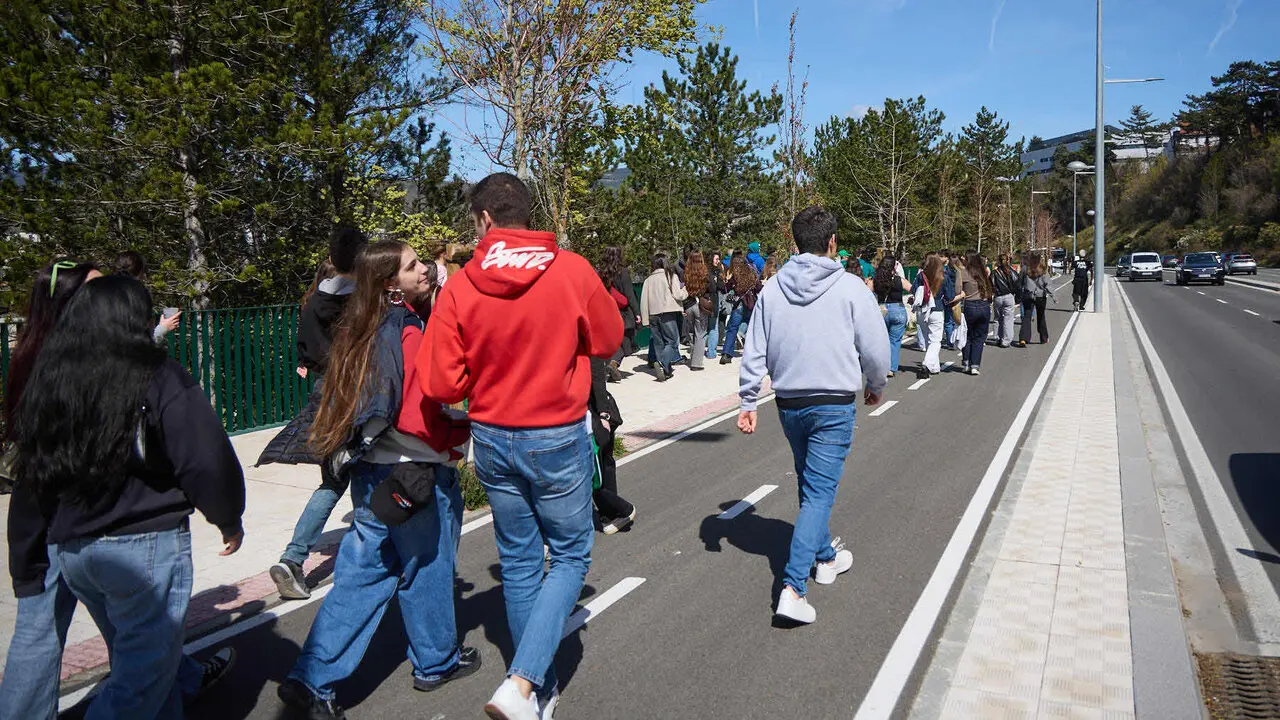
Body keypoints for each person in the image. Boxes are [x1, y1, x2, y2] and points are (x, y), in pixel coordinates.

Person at [416, 172, 622, 720]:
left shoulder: (460, 284)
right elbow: (608, 339)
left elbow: (441, 382)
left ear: (485, 219)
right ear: (526, 214)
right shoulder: (571, 269)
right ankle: (524, 682)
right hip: (555, 434)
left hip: (492, 435)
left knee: (520, 562)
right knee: (571, 555)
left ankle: (536, 693)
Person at [1, 262, 235, 720]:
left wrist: (27, 557)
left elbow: (35, 473)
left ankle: (182, 683)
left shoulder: (51, 372)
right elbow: (204, 454)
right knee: (135, 678)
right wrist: (228, 515)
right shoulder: (156, 374)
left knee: (143, 664)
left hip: (72, 542)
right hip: (133, 542)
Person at [277, 240, 477, 720]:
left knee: (361, 577)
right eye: (412, 266)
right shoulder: (404, 328)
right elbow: (415, 414)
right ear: (391, 284)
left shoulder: (355, 328)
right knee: (427, 568)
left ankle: (311, 677)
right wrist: (460, 430)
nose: (424, 269)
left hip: (370, 473)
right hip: (413, 473)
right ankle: (436, 662)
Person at [737, 206, 889, 624]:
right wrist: (876, 383)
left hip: (789, 402)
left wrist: (748, 400)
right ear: (832, 242)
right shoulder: (851, 287)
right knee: (820, 491)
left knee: (810, 483)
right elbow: (875, 346)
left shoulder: (772, 288)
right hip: (833, 402)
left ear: (795, 241)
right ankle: (793, 588)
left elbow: (755, 347)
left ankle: (825, 558)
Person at [268, 226, 368, 600]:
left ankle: (293, 559)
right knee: (371, 472)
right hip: (358, 390)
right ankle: (371, 555)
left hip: (325, 391)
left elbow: (307, 351)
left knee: (333, 478)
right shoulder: (362, 302)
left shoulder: (313, 303)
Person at [589, 357, 635, 534]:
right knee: (602, 466)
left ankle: (618, 510)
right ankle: (613, 512)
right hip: (588, 415)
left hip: (596, 415)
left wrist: (604, 414)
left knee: (597, 469)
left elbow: (597, 376)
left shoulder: (583, 346)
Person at [114, 250, 182, 344]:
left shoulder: (106, 295)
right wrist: (163, 328)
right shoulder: (135, 298)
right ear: (140, 272)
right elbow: (141, 344)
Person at [639, 252, 687, 382]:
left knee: (658, 343)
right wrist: (685, 290)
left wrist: (645, 320)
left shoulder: (648, 280)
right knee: (672, 342)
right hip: (668, 313)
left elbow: (644, 301)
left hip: (653, 314)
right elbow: (678, 295)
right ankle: (662, 362)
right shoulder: (671, 276)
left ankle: (665, 370)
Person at [598, 246, 639, 379]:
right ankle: (613, 364)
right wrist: (637, 312)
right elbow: (629, 295)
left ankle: (611, 366)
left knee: (614, 341)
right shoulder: (623, 272)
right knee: (626, 343)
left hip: (607, 311)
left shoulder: (601, 273)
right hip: (623, 313)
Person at [873, 256, 912, 378]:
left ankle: (880, 366)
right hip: (897, 309)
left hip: (881, 310)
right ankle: (891, 368)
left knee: (882, 340)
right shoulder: (899, 280)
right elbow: (913, 289)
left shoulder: (876, 280)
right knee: (894, 341)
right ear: (893, 266)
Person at [912, 256, 949, 377]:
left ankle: (934, 367)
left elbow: (913, 290)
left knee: (928, 339)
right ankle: (927, 363)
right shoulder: (943, 277)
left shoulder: (921, 276)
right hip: (936, 309)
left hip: (922, 310)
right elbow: (950, 295)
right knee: (935, 340)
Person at [718, 256, 760, 364]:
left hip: (739, 305)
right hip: (751, 304)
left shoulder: (735, 276)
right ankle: (752, 351)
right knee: (751, 326)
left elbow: (725, 288)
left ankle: (726, 354)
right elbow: (759, 288)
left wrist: (726, 282)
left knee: (732, 328)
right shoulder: (752, 274)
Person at [959, 253, 994, 375]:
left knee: (967, 335)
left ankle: (966, 363)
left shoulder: (963, 272)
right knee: (979, 337)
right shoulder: (983, 272)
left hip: (969, 305)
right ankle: (975, 365)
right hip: (984, 305)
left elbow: (957, 289)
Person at [682, 251, 712, 371]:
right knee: (701, 333)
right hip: (701, 305)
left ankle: (693, 356)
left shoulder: (686, 273)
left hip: (688, 305)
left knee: (691, 333)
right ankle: (696, 363)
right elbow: (711, 288)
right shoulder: (705, 273)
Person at [1018, 252, 1054, 347]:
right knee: (1041, 316)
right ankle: (1043, 338)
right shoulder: (1043, 268)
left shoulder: (1025, 268)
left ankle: (1023, 339)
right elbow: (1048, 283)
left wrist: (1019, 293)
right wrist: (1053, 295)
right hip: (1040, 296)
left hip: (1028, 295)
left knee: (1027, 315)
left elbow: (1020, 282)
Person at [990, 254, 1020, 348]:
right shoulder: (1012, 272)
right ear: (1008, 260)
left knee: (998, 318)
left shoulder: (994, 273)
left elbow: (990, 285)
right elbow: (1018, 285)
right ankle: (1006, 341)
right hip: (1009, 296)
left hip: (998, 297)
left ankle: (998, 337)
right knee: (1008, 319)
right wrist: (1018, 299)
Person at [706, 252, 724, 359]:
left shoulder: (716, 271)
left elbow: (721, 286)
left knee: (710, 326)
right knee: (713, 327)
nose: (718, 261)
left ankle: (710, 351)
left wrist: (720, 277)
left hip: (710, 300)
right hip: (710, 300)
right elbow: (714, 287)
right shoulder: (709, 272)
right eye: (716, 259)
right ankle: (711, 352)